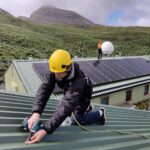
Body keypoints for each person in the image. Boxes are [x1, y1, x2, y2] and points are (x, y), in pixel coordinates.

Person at [25, 49, 106, 144]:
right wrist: (36, 113)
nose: (56, 75)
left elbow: (67, 105)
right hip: (69, 92)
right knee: (59, 110)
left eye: (59, 72)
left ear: (68, 68)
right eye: (54, 72)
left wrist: (45, 130)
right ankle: (87, 108)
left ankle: (100, 114)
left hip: (83, 95)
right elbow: (45, 89)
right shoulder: (57, 69)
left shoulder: (79, 80)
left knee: (77, 119)